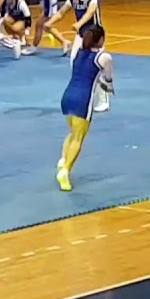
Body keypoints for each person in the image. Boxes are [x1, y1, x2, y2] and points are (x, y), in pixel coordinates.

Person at [57, 24, 114, 192]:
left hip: (67, 96)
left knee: (73, 133)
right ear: (102, 39)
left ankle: (62, 161)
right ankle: (66, 170)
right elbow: (108, 79)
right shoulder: (104, 57)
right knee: (79, 138)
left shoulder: (78, 53)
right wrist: (109, 88)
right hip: (83, 99)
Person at [48, 0, 109, 112]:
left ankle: (104, 100)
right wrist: (50, 22)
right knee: (75, 64)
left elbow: (90, 12)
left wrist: (79, 23)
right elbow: (61, 12)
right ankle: (84, 95)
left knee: (95, 67)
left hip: (95, 38)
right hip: (81, 37)